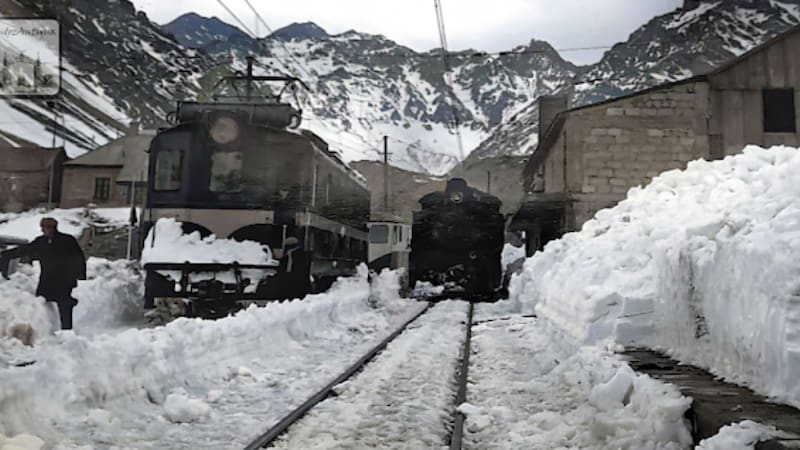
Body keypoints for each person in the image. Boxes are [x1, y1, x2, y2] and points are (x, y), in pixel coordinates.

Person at [0, 217, 86, 330]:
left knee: (64, 304)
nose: (43, 230)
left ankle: (67, 330)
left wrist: (79, 275)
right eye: (42, 228)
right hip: (47, 278)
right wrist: (5, 254)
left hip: (64, 279)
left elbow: (78, 257)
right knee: (40, 302)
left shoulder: (67, 240)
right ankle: (43, 329)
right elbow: (25, 249)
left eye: (45, 228)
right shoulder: (41, 242)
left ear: (53, 228)